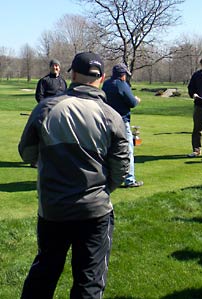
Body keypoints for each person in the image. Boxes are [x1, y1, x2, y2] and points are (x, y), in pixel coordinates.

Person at [18, 52, 129, 298]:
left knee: (44, 272)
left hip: (54, 208)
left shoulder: (46, 107)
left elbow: (26, 153)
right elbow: (121, 167)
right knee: (89, 281)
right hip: (95, 210)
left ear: (74, 75)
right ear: (100, 79)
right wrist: (104, 189)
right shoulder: (111, 116)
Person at [102, 63, 143, 188]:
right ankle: (129, 179)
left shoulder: (107, 84)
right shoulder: (122, 84)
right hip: (121, 121)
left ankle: (107, 177)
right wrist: (137, 99)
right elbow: (131, 102)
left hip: (107, 120)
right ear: (123, 75)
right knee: (127, 150)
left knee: (109, 150)